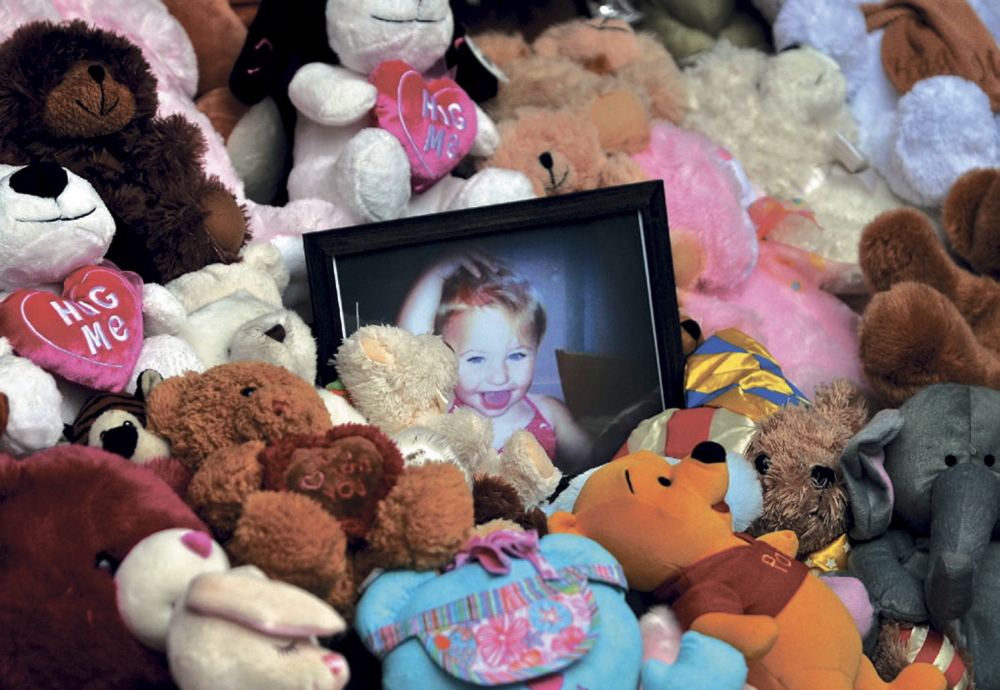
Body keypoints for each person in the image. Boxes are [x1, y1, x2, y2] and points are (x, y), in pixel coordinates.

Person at [397, 249, 593, 473]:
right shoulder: (445, 409)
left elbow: (596, 466)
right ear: (442, 358)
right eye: (476, 358)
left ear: (536, 347)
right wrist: (437, 272)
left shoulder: (550, 413)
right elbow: (409, 349)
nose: (500, 377)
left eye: (516, 355)